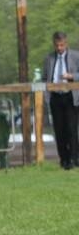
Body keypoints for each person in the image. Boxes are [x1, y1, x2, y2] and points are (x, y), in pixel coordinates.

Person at [42, 31, 79, 169]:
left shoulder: (75, 56)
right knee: (59, 130)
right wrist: (47, 94)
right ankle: (64, 160)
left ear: (66, 43)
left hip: (70, 96)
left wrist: (72, 76)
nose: (59, 48)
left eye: (62, 45)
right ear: (54, 44)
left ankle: (74, 159)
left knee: (71, 128)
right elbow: (45, 77)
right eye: (57, 45)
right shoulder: (49, 58)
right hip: (55, 97)